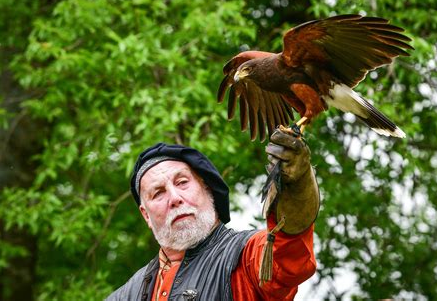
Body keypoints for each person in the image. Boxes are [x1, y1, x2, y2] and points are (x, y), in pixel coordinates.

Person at [106, 129, 320, 300]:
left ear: (207, 189)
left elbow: (288, 261)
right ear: (146, 215)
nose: (174, 198)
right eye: (158, 193)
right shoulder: (126, 294)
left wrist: (296, 188)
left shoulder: (245, 256)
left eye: (182, 182)